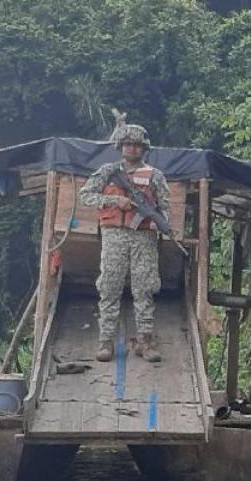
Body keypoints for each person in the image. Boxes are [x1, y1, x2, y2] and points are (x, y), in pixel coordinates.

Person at [79, 123, 172, 363]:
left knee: (145, 288)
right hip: (114, 236)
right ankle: (106, 342)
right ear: (120, 147)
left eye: (137, 145)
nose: (132, 149)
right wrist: (114, 200)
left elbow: (164, 207)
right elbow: (85, 195)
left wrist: (158, 221)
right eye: (128, 144)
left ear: (144, 148)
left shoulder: (154, 175)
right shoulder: (109, 171)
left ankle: (146, 341)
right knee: (110, 286)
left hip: (144, 237)